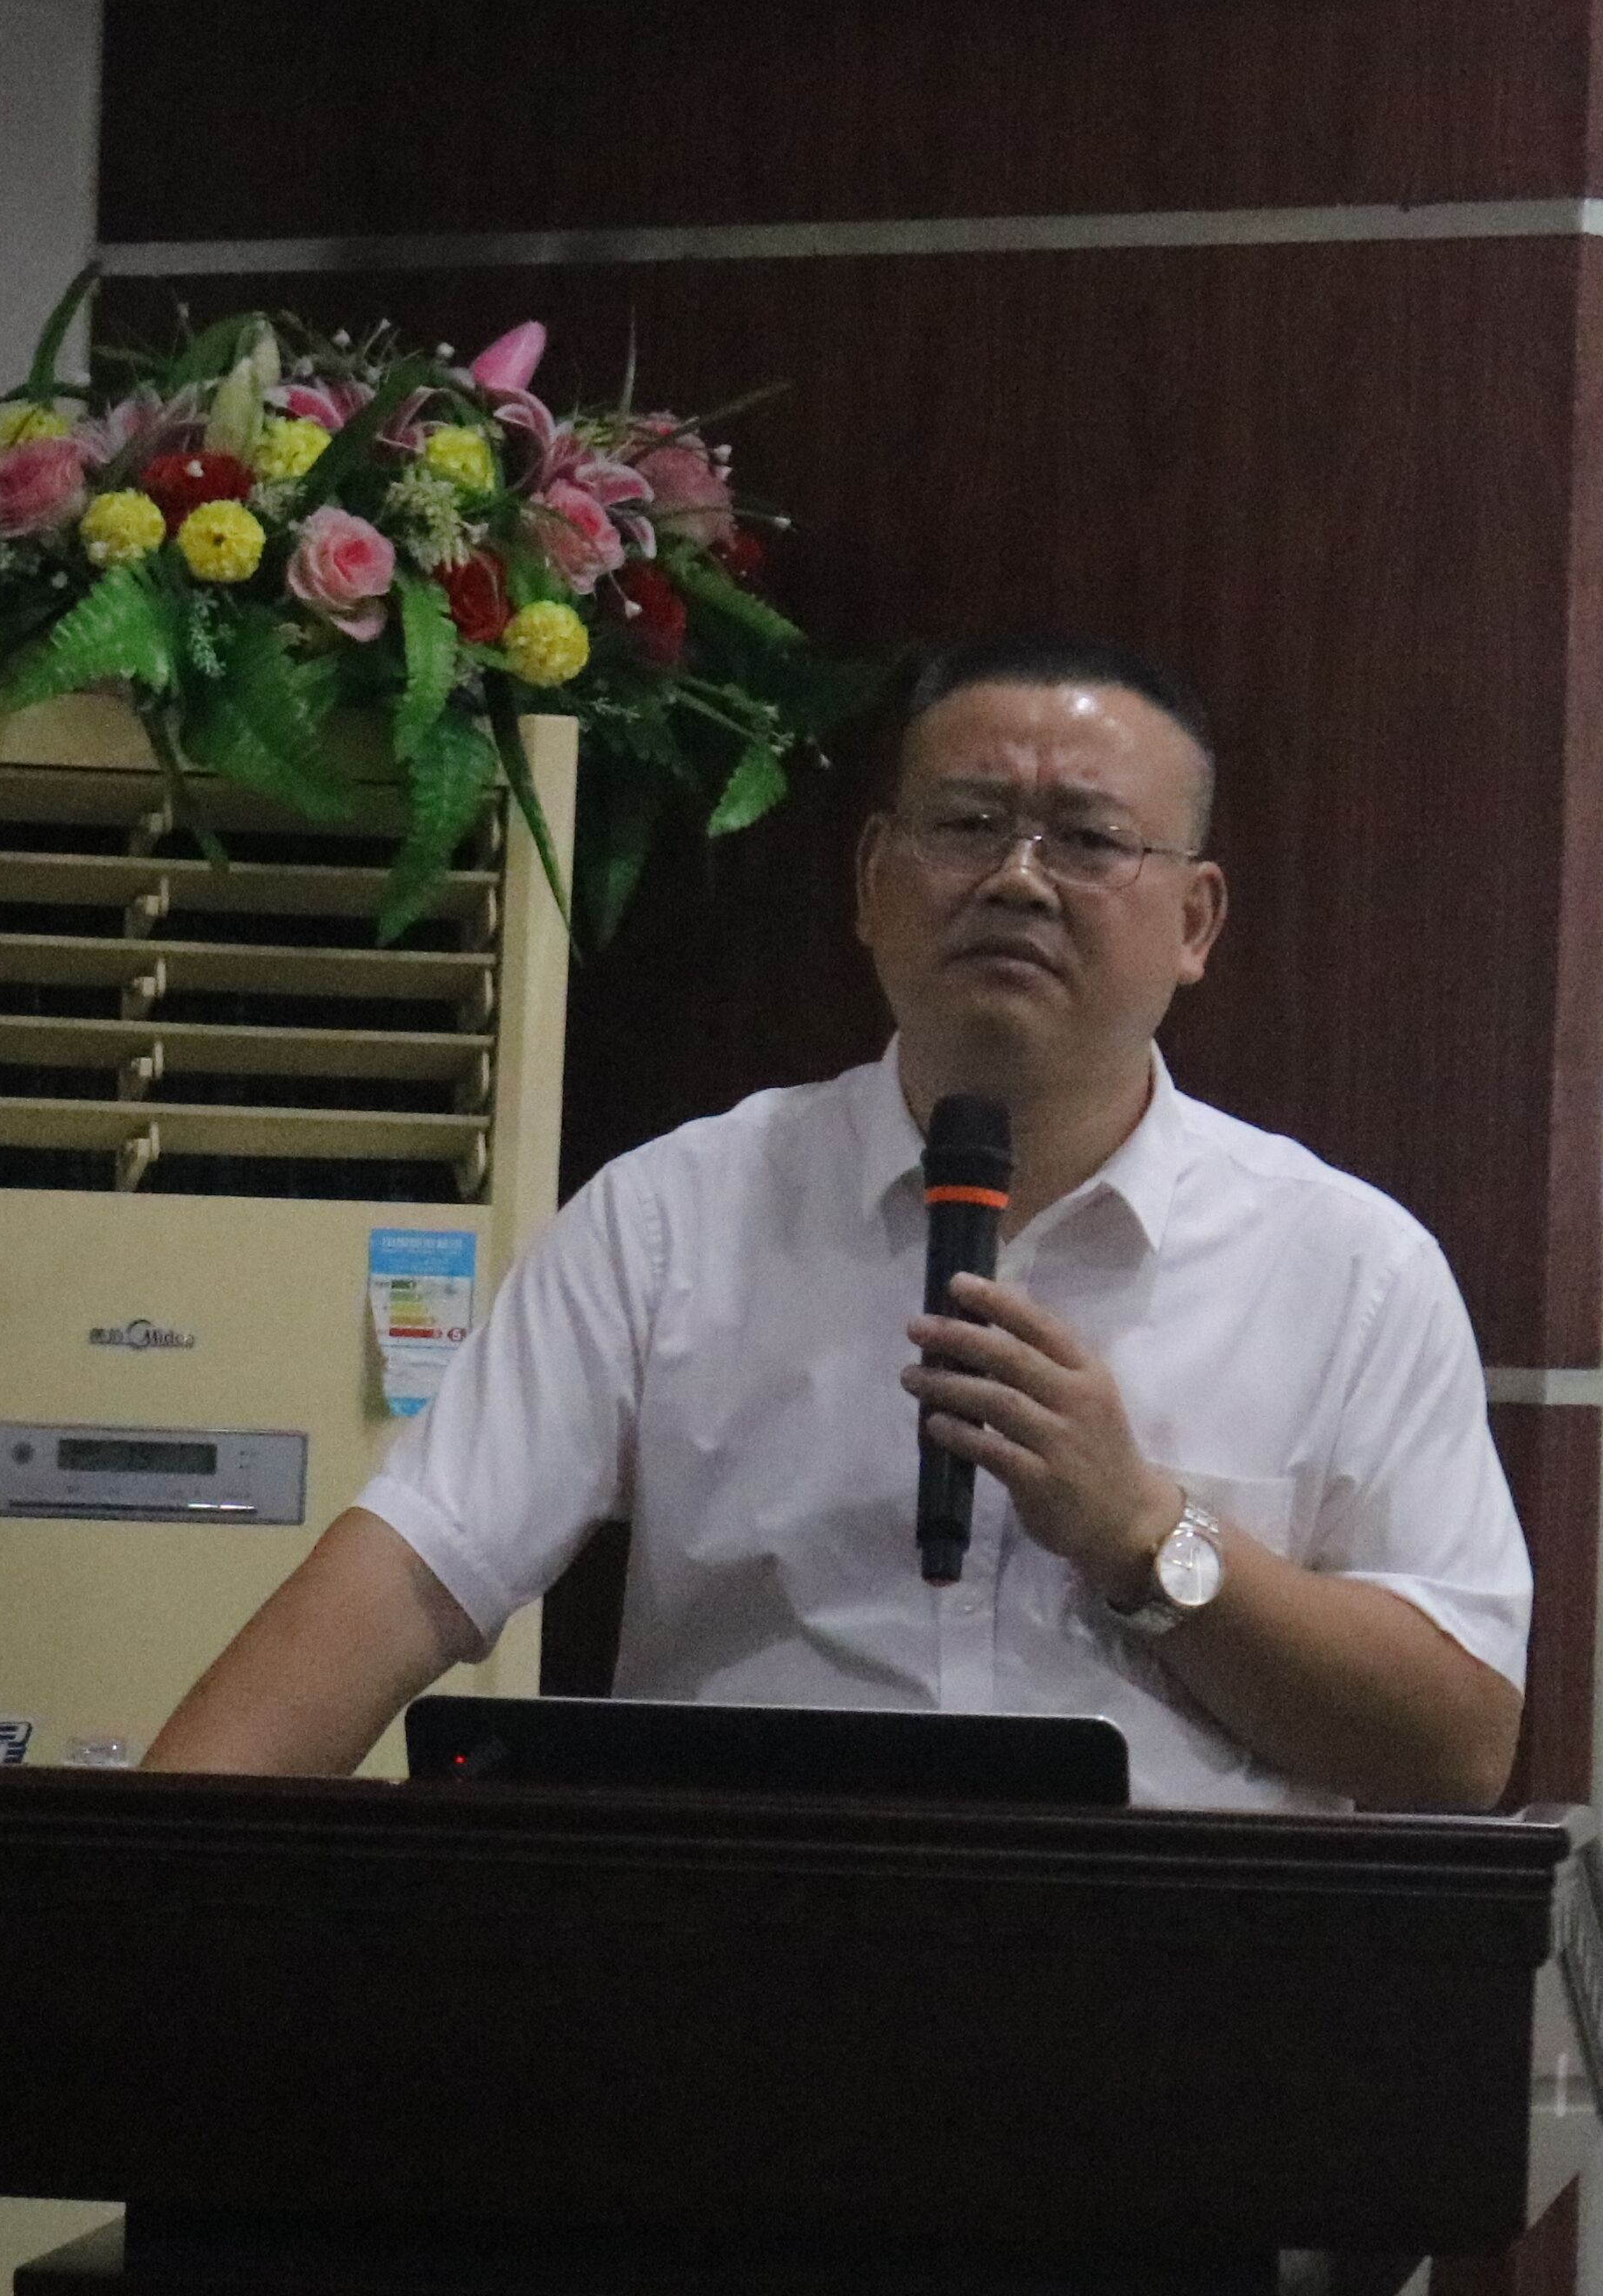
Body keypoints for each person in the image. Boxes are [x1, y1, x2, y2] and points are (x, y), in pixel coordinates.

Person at [148, 636, 1528, 1809]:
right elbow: (405, 1583)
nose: (1019, 879)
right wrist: (121, 1907)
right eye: (969, 825)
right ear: (872, 880)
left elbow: (1461, 1746)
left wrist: (1143, 1535)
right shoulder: (674, 1216)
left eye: (1090, 840)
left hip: (1164, 1990)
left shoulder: (1347, 1266)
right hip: (743, 1964)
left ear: (1196, 920)